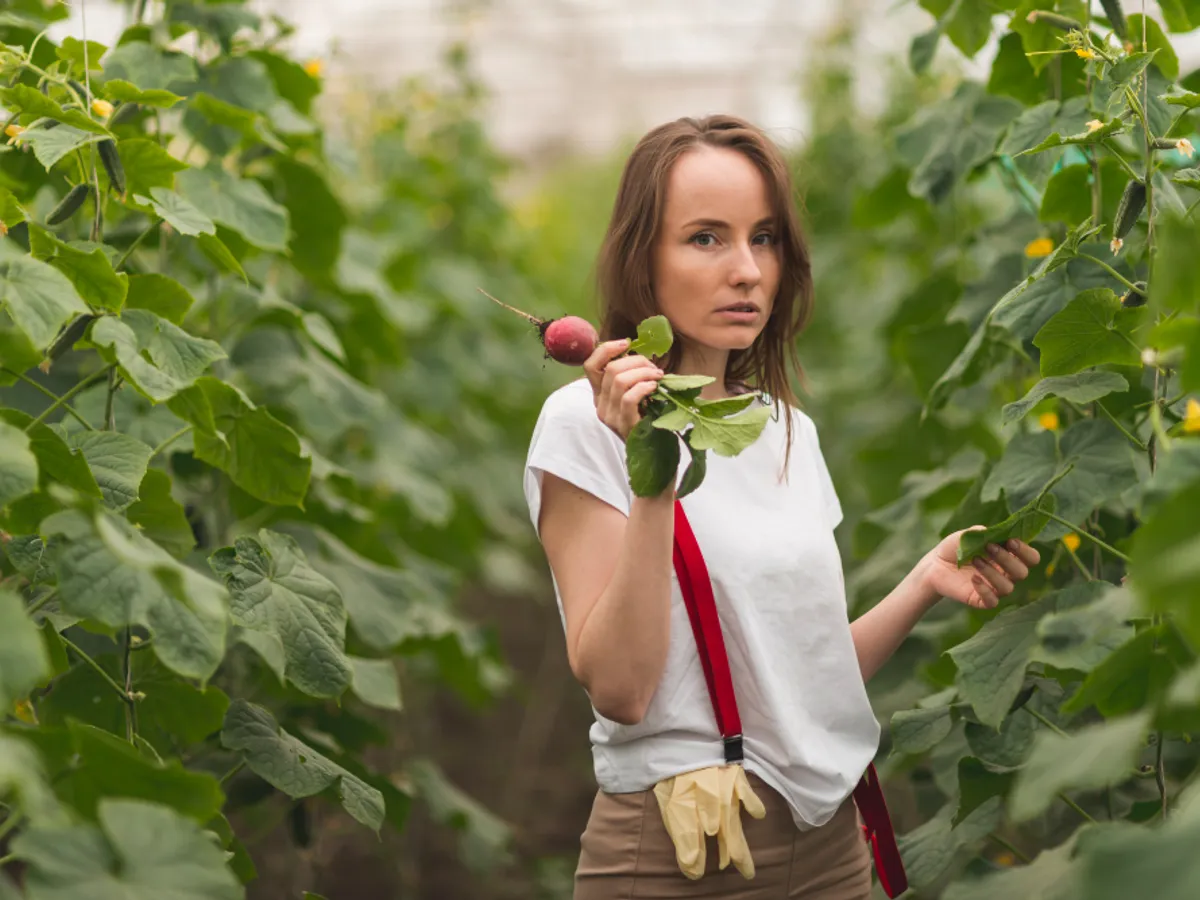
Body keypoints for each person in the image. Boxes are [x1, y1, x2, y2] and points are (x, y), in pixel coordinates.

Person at [522, 114, 1041, 899]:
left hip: (830, 846)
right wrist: (651, 466)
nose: (747, 271)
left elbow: (798, 679)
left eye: (763, 238)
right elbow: (621, 691)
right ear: (643, 262)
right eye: (706, 238)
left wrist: (922, 582)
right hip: (684, 857)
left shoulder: (783, 428)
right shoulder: (583, 424)